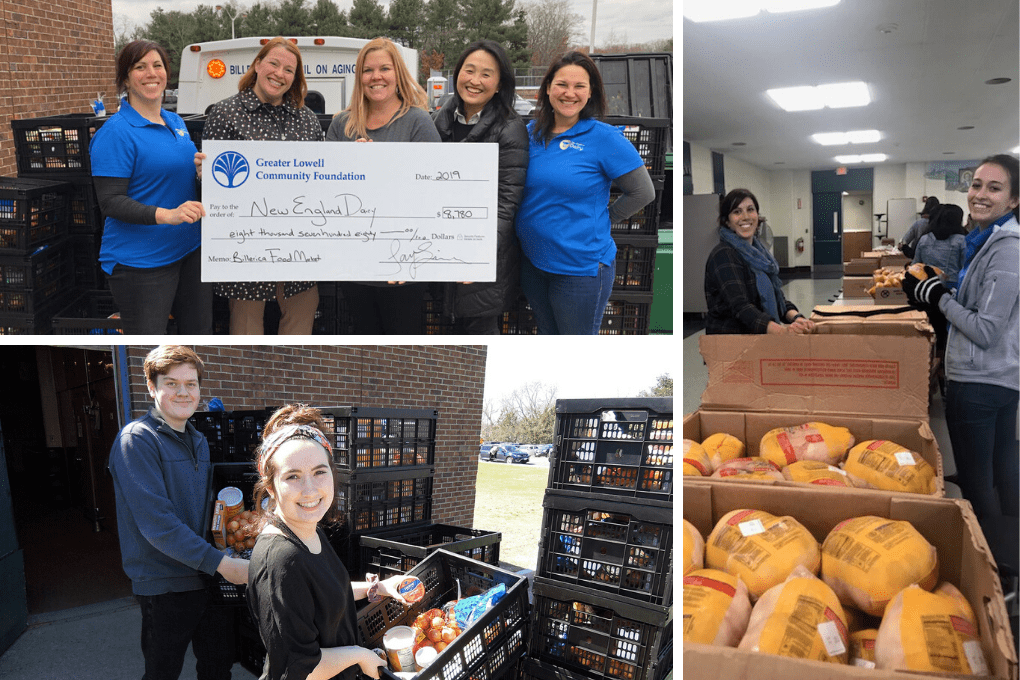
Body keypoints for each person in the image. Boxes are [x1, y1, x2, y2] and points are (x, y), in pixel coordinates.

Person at [108, 345, 249, 680]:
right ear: (152, 388)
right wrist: (223, 564)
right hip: (164, 584)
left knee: (217, 666)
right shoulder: (136, 441)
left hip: (207, 577)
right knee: (162, 671)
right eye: (171, 383)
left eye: (191, 384)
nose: (183, 392)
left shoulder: (198, 440)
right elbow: (157, 524)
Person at [248, 409, 412, 680]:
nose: (310, 490)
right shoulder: (281, 559)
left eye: (319, 472)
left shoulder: (308, 529)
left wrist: (378, 587)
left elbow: (321, 594)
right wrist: (360, 656)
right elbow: (299, 667)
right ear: (271, 486)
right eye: (293, 476)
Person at [903, 154, 1019, 526]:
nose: (980, 194)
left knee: (977, 479)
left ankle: (989, 564)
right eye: (976, 185)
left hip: (980, 381)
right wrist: (945, 287)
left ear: (1014, 200)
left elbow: (985, 329)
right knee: (1001, 471)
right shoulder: (986, 240)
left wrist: (938, 296)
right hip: (996, 377)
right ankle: (1008, 553)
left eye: (994, 188)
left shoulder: (1006, 248)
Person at [514, 51, 655, 335]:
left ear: (591, 93)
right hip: (533, 263)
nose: (570, 93)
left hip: (580, 269)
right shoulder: (527, 134)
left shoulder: (604, 138)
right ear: (548, 88)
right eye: (562, 84)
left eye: (579, 86)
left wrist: (603, 218)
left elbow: (642, 192)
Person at [203, 37, 325, 335]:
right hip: (246, 249)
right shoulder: (225, 113)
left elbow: (323, 179)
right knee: (246, 331)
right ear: (257, 64)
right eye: (273, 63)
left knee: (300, 328)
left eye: (288, 69)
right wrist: (203, 173)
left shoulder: (307, 120)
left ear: (295, 78)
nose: (279, 73)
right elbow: (212, 183)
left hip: (299, 250)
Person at [90, 41, 212, 334]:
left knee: (200, 336)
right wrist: (167, 215)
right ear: (126, 78)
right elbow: (111, 202)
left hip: (189, 250)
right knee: (152, 345)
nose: (151, 74)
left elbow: (175, 174)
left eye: (157, 66)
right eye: (140, 67)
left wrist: (199, 172)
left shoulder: (174, 121)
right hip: (141, 263)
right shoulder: (115, 133)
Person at [325, 38, 441, 334]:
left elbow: (432, 190)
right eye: (368, 70)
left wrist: (380, 165)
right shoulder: (342, 124)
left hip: (402, 261)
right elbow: (325, 191)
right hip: (355, 259)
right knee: (362, 333)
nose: (376, 77)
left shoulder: (418, 122)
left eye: (384, 69)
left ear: (398, 74)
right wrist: (351, 166)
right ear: (359, 77)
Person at [432, 40, 529, 334]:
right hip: (443, 253)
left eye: (486, 74)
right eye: (469, 70)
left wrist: (474, 255)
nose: (475, 81)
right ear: (457, 74)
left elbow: (506, 204)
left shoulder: (510, 129)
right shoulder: (439, 119)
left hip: (484, 262)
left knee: (480, 329)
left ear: (500, 84)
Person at [704, 188, 816, 335]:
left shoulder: (760, 254)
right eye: (737, 212)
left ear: (757, 216)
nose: (745, 217)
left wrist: (797, 318)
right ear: (727, 222)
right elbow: (741, 307)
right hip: (730, 343)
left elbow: (777, 298)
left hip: (757, 338)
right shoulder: (724, 255)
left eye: (750, 210)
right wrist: (783, 332)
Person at [912, 203, 967, 290]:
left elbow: (915, 266)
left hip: (927, 286)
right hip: (953, 287)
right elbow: (967, 269)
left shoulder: (924, 239)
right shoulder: (961, 241)